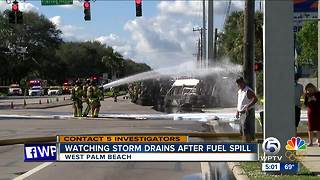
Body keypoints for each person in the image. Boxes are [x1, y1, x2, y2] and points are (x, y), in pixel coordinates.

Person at [235, 77, 258, 142]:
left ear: (243, 82)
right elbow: (239, 102)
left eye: (240, 83)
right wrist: (237, 111)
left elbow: (255, 99)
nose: (239, 85)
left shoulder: (248, 90)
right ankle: (244, 142)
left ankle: (248, 143)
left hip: (247, 112)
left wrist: (248, 106)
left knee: (246, 129)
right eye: (238, 84)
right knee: (242, 129)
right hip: (241, 112)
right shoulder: (239, 91)